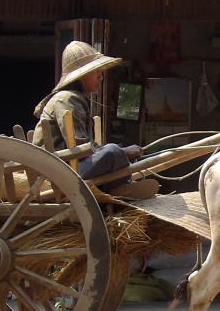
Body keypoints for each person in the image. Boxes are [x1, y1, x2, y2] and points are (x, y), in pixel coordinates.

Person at [33, 41, 159, 199]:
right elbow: (80, 150)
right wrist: (123, 152)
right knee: (113, 152)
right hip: (58, 174)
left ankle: (120, 188)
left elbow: (87, 149)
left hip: (67, 168)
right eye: (96, 71)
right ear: (82, 75)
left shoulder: (76, 99)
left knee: (114, 152)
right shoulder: (67, 99)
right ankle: (120, 190)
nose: (101, 76)